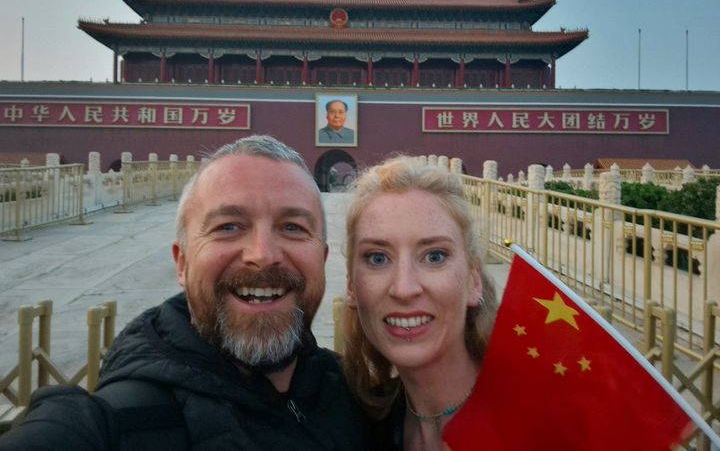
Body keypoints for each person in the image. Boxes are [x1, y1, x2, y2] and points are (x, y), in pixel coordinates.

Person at [0, 135, 368, 450]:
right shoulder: (118, 422)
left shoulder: (361, 402)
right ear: (182, 262)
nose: (263, 255)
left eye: (292, 227)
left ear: (321, 260)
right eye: (228, 226)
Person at [342, 156, 498, 451]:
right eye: (377, 258)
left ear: (473, 281)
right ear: (352, 286)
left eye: (434, 256)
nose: (404, 288)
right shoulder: (359, 425)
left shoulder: (541, 417)